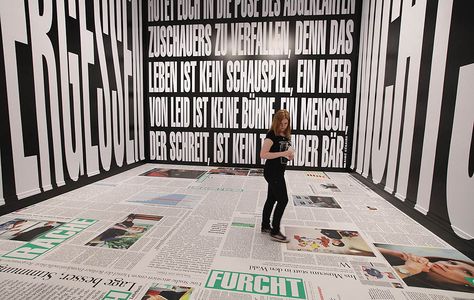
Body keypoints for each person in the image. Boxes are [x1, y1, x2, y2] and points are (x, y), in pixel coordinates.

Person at [260, 109, 295, 242]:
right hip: (272, 172)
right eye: (281, 123)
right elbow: (263, 155)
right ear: (276, 122)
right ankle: (275, 231)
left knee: (272, 199)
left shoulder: (286, 135)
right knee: (283, 200)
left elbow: (288, 155)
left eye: (286, 123)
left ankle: (265, 226)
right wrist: (283, 154)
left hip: (279, 172)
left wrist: (290, 154)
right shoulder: (271, 135)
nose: (283, 126)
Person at [377, 246, 474, 293]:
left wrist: (408, 269)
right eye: (452, 263)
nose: (450, 266)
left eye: (467, 272)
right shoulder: (408, 262)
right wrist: (395, 254)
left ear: (470, 284)